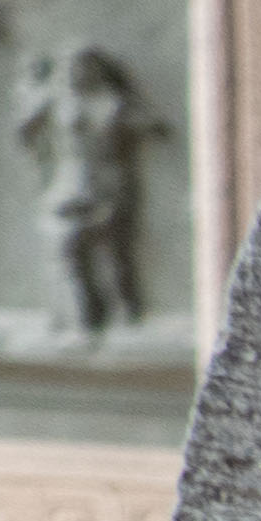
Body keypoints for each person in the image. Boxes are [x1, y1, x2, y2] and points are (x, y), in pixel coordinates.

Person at [20, 45, 155, 334]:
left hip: (105, 184)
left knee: (111, 254)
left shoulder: (111, 103)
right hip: (68, 184)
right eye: (68, 68)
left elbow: (147, 125)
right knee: (65, 249)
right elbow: (26, 130)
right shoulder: (58, 102)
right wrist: (33, 91)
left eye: (80, 67)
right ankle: (79, 315)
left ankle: (121, 311)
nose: (72, 74)